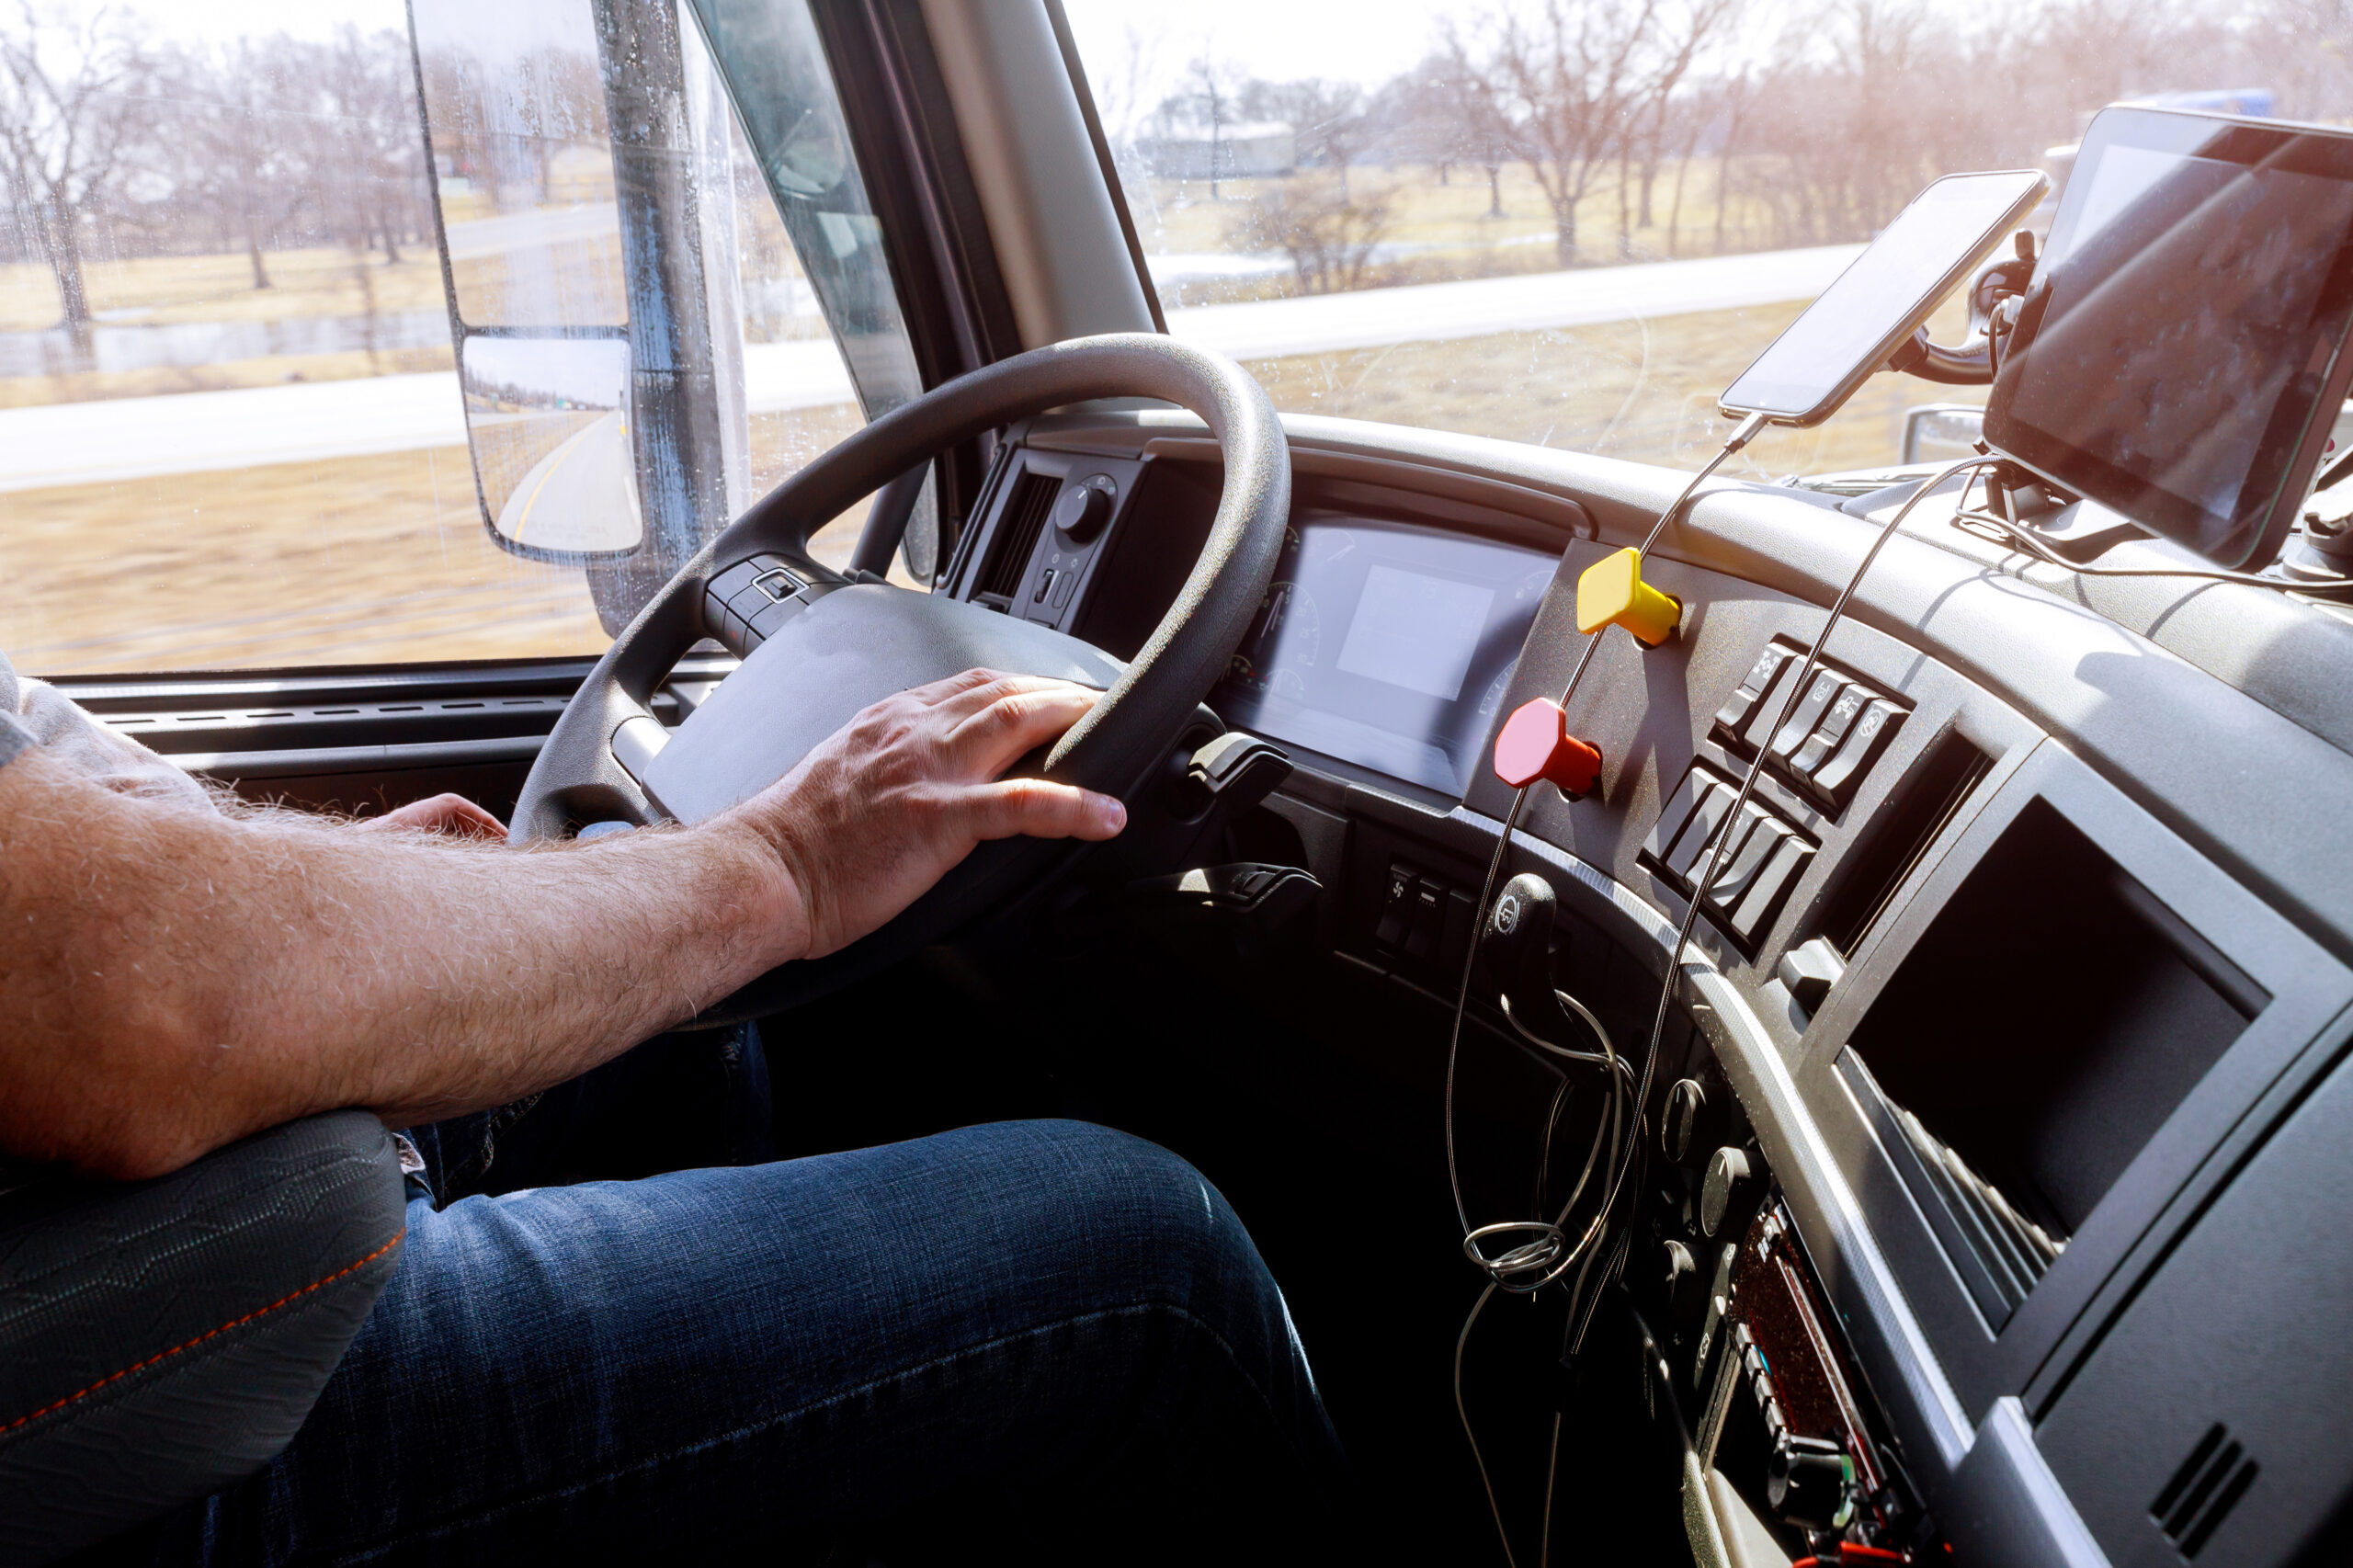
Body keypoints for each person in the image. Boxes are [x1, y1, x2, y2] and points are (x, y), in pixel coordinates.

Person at [0, 648, 1345, 1564]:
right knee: (1144, 1260)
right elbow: (128, 1004)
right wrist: (785, 857)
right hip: (131, 1373)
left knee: (641, 951)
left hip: (129, 1193)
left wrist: (313, 901)